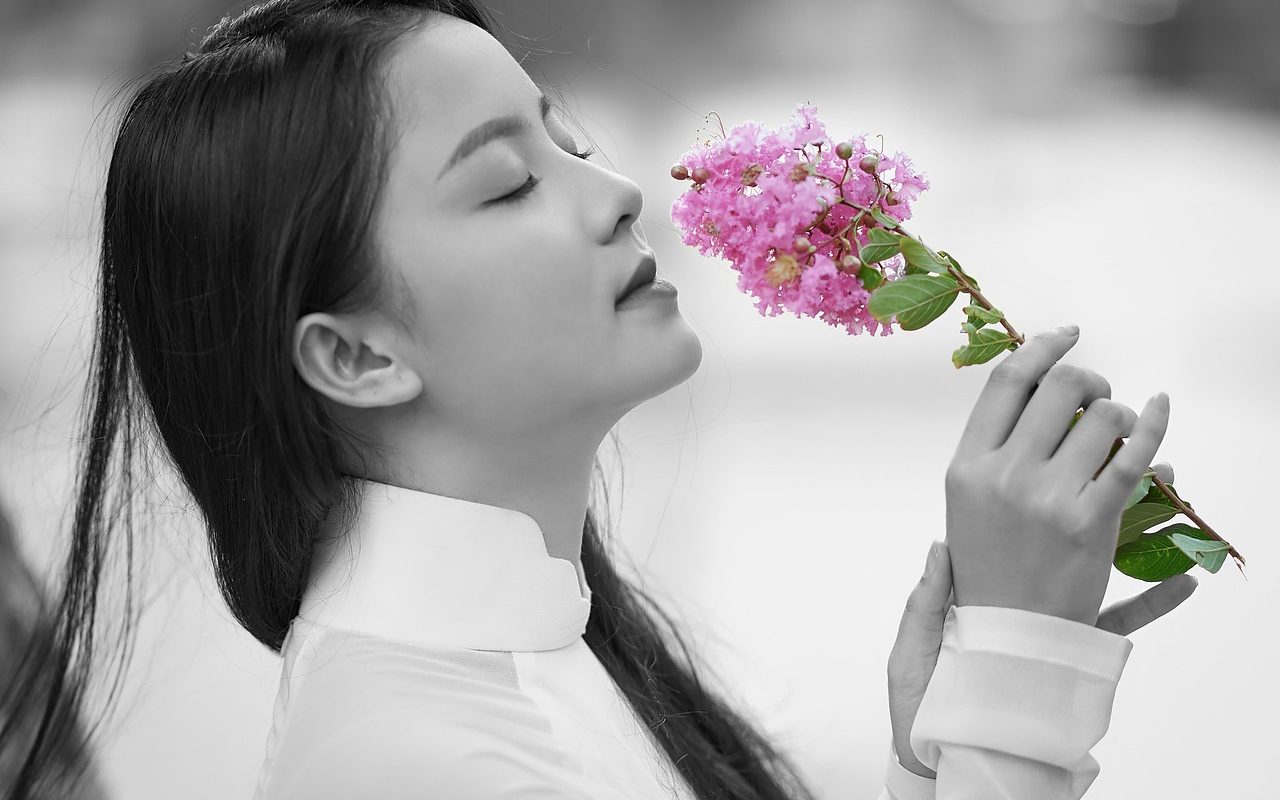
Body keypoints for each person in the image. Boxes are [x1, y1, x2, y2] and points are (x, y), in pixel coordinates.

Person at [0, 1, 1198, 798]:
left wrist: (931, 756)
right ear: (355, 357)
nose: (617, 190)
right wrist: (1005, 701)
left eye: (565, 141)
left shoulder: (532, 659)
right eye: (506, 183)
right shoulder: (415, 762)